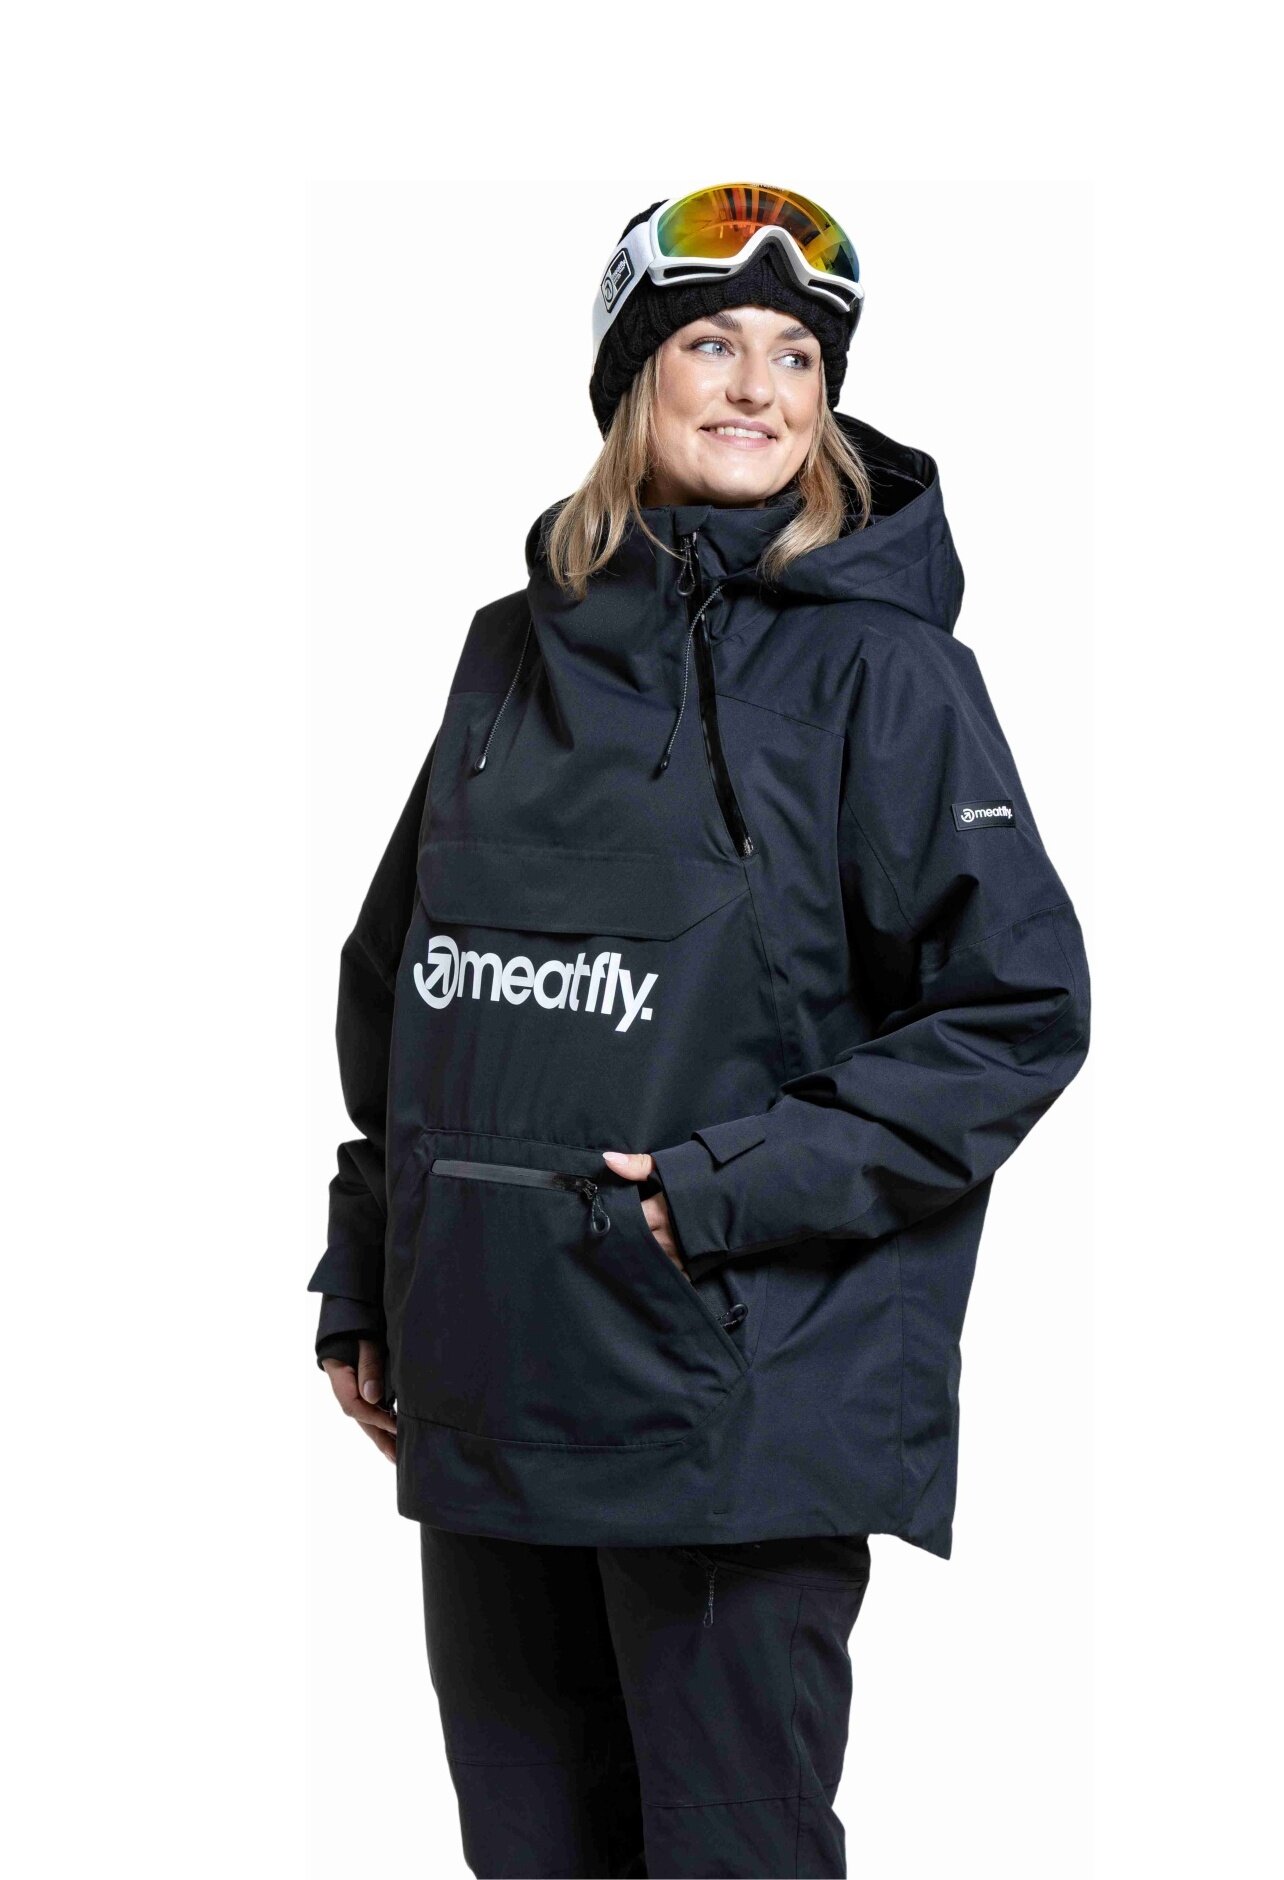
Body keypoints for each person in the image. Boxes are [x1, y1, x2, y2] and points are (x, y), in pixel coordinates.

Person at [307, 182, 1091, 1878]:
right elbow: (410, 979)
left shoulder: (888, 676)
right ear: (631, 383)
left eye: (796, 356)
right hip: (497, 1367)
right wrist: (371, 1264)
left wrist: (715, 1194)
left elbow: (1013, 1008)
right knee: (532, 1853)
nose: (756, 388)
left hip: (736, 1390)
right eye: (711, 345)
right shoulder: (508, 655)